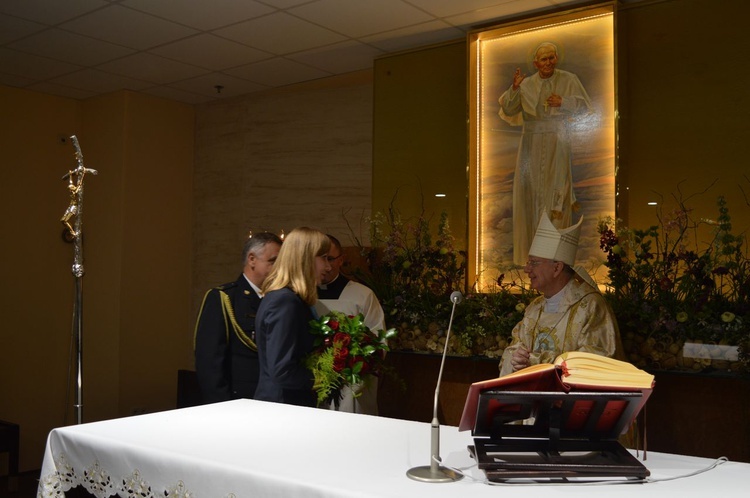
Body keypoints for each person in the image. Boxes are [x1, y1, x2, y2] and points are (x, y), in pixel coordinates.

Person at [499, 41, 592, 266]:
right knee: (528, 195)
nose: (548, 62)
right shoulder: (526, 84)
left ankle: (556, 260)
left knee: (556, 195)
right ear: (535, 63)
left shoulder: (569, 79)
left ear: (556, 59)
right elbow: (509, 110)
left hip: (557, 144)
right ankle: (530, 258)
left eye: (552, 57)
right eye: (543, 59)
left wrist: (564, 102)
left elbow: (585, 108)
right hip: (530, 145)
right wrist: (514, 89)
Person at [498, 213, 621, 376]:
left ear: (557, 268)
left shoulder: (591, 307)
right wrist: (515, 359)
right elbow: (513, 350)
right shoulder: (534, 308)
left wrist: (535, 361)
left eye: (534, 263)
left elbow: (595, 364)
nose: (527, 269)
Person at [194, 232, 282, 403]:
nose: (278, 269)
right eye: (272, 261)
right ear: (252, 260)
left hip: (271, 400)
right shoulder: (224, 297)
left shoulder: (277, 300)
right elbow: (209, 362)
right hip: (238, 400)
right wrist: (221, 405)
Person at [254, 227, 331, 407]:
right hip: (283, 407)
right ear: (305, 258)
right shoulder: (285, 301)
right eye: (324, 258)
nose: (328, 267)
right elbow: (282, 370)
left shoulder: (291, 299)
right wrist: (324, 378)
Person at [315, 234, 386, 415]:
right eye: (321, 259)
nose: (327, 266)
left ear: (341, 260)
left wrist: (355, 362)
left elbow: (379, 342)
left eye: (330, 258)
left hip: (352, 385)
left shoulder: (362, 295)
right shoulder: (303, 294)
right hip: (314, 382)